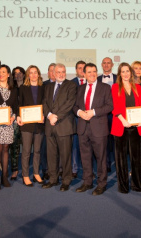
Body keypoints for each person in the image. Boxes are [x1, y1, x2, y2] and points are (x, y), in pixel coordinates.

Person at [73, 63, 113, 195]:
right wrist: (80, 113)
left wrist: (94, 112)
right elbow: (74, 106)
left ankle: (101, 184)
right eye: (89, 72)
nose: (92, 74)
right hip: (83, 128)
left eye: (94, 71)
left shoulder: (105, 88)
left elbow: (110, 106)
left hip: (99, 129)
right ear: (84, 74)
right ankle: (87, 182)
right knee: (85, 157)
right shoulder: (80, 88)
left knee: (101, 158)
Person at [111, 63, 141, 193]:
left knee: (136, 158)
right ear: (119, 74)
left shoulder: (137, 87)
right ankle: (123, 186)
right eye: (123, 71)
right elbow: (114, 106)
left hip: (136, 127)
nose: (125, 74)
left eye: (127, 71)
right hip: (121, 126)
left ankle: (137, 185)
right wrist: (122, 120)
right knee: (121, 159)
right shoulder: (115, 87)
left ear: (131, 73)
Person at [42, 63, 77, 191]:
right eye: (58, 72)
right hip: (50, 126)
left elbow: (69, 104)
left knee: (65, 156)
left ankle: (66, 180)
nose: (61, 74)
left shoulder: (71, 85)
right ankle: (53, 179)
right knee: (51, 155)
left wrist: (56, 117)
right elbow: (45, 102)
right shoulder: (48, 87)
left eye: (63, 72)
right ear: (53, 73)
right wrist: (49, 115)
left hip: (64, 125)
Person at [17, 65, 45, 187]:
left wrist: (44, 115)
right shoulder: (23, 88)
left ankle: (36, 173)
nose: (33, 75)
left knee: (37, 150)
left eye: (35, 72)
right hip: (26, 124)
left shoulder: (43, 88)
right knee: (27, 151)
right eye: (31, 73)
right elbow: (19, 103)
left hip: (39, 124)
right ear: (28, 75)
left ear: (38, 74)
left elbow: (46, 104)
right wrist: (19, 116)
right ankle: (25, 175)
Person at [97, 57, 117, 173]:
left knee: (115, 140)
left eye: (108, 63)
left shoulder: (118, 79)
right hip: (102, 114)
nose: (106, 65)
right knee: (104, 141)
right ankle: (107, 163)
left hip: (116, 114)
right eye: (104, 63)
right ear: (101, 65)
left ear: (112, 64)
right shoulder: (97, 79)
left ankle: (117, 162)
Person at [9, 66, 26, 180]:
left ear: (24, 74)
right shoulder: (10, 88)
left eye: (20, 73)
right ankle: (14, 169)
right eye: (15, 73)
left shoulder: (29, 86)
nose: (18, 75)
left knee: (27, 146)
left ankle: (27, 169)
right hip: (14, 119)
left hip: (28, 119)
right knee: (14, 146)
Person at [71, 60, 87, 178]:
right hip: (76, 119)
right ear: (76, 70)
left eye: (83, 68)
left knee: (89, 145)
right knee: (75, 145)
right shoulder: (71, 83)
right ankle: (75, 168)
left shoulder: (93, 82)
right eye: (79, 68)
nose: (82, 70)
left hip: (91, 119)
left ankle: (88, 169)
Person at [40, 63, 56, 180]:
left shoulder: (65, 85)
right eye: (51, 70)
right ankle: (45, 170)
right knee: (45, 148)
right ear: (48, 73)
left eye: (56, 70)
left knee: (59, 148)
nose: (54, 73)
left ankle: (57, 170)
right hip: (45, 122)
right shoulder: (43, 85)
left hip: (60, 122)